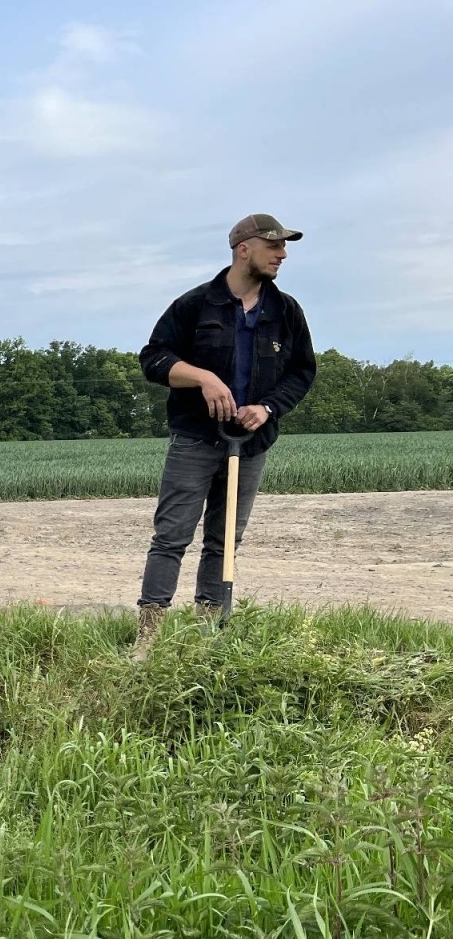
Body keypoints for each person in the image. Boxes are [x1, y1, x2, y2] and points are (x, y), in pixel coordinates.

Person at [132, 213, 316, 653]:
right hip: (195, 439)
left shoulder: (286, 311)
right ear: (243, 249)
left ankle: (207, 634)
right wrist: (201, 377)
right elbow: (153, 359)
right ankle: (147, 636)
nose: (283, 254)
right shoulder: (195, 305)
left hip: (250, 444)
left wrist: (268, 407)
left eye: (284, 247)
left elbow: (302, 371)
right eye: (274, 246)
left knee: (224, 541)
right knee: (171, 536)